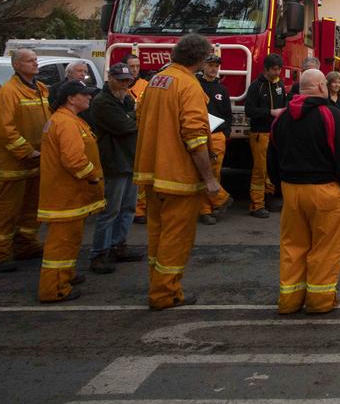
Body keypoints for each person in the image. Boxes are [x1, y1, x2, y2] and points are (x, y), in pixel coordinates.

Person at [132, 34, 222, 310]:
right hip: (178, 177)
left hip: (152, 171)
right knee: (176, 238)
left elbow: (141, 116)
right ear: (199, 58)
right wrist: (209, 179)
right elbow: (194, 137)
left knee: (158, 235)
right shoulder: (189, 85)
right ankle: (165, 294)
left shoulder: (157, 81)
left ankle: (159, 284)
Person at [267, 69, 340, 314]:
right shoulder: (330, 115)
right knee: (326, 248)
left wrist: (281, 188)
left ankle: (289, 300)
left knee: (293, 246)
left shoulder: (283, 118)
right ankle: (320, 301)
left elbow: (272, 157)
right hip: (327, 192)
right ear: (322, 87)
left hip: (292, 191)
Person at [37, 81, 104, 303]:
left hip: (70, 195)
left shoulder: (68, 120)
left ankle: (65, 276)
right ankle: (53, 288)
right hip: (64, 196)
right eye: (84, 95)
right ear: (70, 98)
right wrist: (93, 176)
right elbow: (74, 160)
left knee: (70, 240)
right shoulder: (65, 123)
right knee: (61, 244)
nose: (89, 98)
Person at [0, 49, 50, 273]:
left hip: (38, 161)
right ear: (16, 65)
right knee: (7, 211)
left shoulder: (41, 89)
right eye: (29, 60)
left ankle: (26, 245)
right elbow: (3, 129)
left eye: (35, 60)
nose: (34, 63)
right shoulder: (9, 92)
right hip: (15, 164)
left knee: (32, 208)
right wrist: (25, 151)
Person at [87, 62, 142, 274]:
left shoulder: (126, 98)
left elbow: (131, 122)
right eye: (120, 80)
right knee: (110, 210)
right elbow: (126, 126)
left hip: (129, 160)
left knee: (128, 208)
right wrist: (133, 116)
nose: (124, 84)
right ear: (110, 78)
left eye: (128, 80)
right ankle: (99, 253)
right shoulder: (102, 102)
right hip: (114, 162)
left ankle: (119, 245)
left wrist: (132, 117)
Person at [243, 54, 287, 217]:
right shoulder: (256, 87)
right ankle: (256, 205)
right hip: (260, 134)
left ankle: (268, 198)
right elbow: (249, 110)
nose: (277, 73)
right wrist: (270, 112)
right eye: (274, 69)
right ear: (266, 69)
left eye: (279, 69)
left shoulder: (280, 85)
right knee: (260, 170)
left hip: (275, 134)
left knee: (272, 169)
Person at [197, 54, 233, 225]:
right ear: (203, 66)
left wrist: (225, 134)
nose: (213, 69)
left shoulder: (222, 90)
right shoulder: (196, 86)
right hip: (201, 136)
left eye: (216, 66)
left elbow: (227, 115)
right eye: (210, 65)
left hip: (218, 136)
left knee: (215, 173)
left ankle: (214, 205)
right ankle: (205, 210)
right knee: (204, 173)